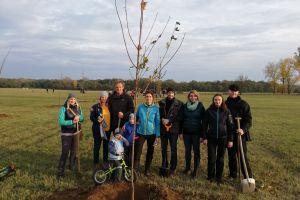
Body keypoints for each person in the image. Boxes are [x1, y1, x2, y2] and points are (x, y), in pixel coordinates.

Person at [202, 94, 234, 184]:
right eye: (215, 100)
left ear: (222, 101)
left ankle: (218, 177)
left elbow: (230, 126)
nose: (217, 101)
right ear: (213, 100)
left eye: (219, 100)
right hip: (211, 138)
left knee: (220, 159)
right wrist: (204, 137)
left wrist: (230, 139)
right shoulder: (209, 111)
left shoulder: (227, 111)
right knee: (211, 158)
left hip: (223, 138)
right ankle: (210, 176)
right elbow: (204, 125)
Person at [225, 84, 253, 180]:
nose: (233, 92)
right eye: (231, 90)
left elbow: (249, 121)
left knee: (242, 156)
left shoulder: (244, 104)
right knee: (231, 156)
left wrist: (243, 129)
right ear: (228, 91)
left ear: (238, 92)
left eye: (235, 91)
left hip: (240, 134)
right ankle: (233, 175)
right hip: (229, 134)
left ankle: (247, 177)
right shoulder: (225, 104)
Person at [57, 93, 84, 180]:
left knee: (74, 151)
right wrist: (72, 121)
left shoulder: (78, 108)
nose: (72, 101)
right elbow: (61, 121)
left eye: (74, 99)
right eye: (71, 99)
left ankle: (71, 166)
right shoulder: (63, 109)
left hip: (76, 133)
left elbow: (83, 118)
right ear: (68, 99)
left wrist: (79, 117)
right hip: (66, 134)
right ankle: (60, 172)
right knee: (65, 152)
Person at [180, 90, 205, 178]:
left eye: (194, 96)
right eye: (191, 96)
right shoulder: (184, 106)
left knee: (196, 152)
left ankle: (196, 170)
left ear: (197, 97)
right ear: (188, 97)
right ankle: (187, 168)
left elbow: (204, 122)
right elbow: (181, 120)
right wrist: (181, 132)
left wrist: (203, 135)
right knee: (187, 151)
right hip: (186, 133)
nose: (193, 97)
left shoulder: (200, 106)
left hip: (196, 133)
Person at [134, 90, 160, 176]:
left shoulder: (156, 109)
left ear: (153, 98)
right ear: (145, 97)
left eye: (150, 97)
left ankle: (147, 170)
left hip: (151, 133)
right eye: (147, 96)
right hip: (140, 132)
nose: (148, 98)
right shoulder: (141, 107)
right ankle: (135, 170)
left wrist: (157, 135)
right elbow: (136, 118)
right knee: (138, 151)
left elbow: (157, 122)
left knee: (150, 151)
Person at [158, 87, 182, 176]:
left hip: (173, 130)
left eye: (172, 93)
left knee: (173, 149)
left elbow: (180, 117)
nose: (170, 94)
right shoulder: (161, 102)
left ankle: (173, 167)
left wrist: (170, 120)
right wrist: (162, 119)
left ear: (174, 94)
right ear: (166, 93)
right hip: (163, 129)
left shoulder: (179, 104)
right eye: (169, 93)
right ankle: (164, 164)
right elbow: (159, 114)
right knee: (163, 148)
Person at [90, 91, 111, 167]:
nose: (104, 98)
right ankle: (96, 163)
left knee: (106, 147)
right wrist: (97, 121)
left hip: (107, 130)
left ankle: (105, 162)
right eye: (102, 97)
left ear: (107, 98)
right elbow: (91, 117)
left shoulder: (109, 106)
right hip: (97, 131)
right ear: (100, 98)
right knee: (97, 147)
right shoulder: (95, 107)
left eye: (105, 97)